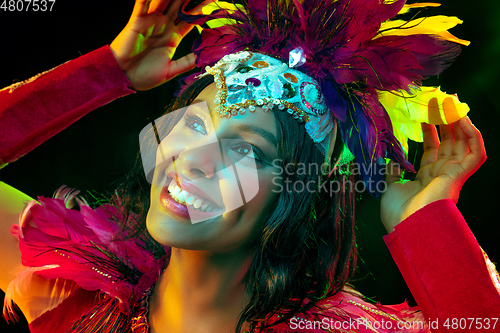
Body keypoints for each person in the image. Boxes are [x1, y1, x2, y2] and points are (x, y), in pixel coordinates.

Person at [1, 0, 499, 332]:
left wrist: (428, 224)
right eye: (195, 125)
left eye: (249, 152)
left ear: (298, 197)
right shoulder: (68, 290)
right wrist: (106, 73)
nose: (194, 161)